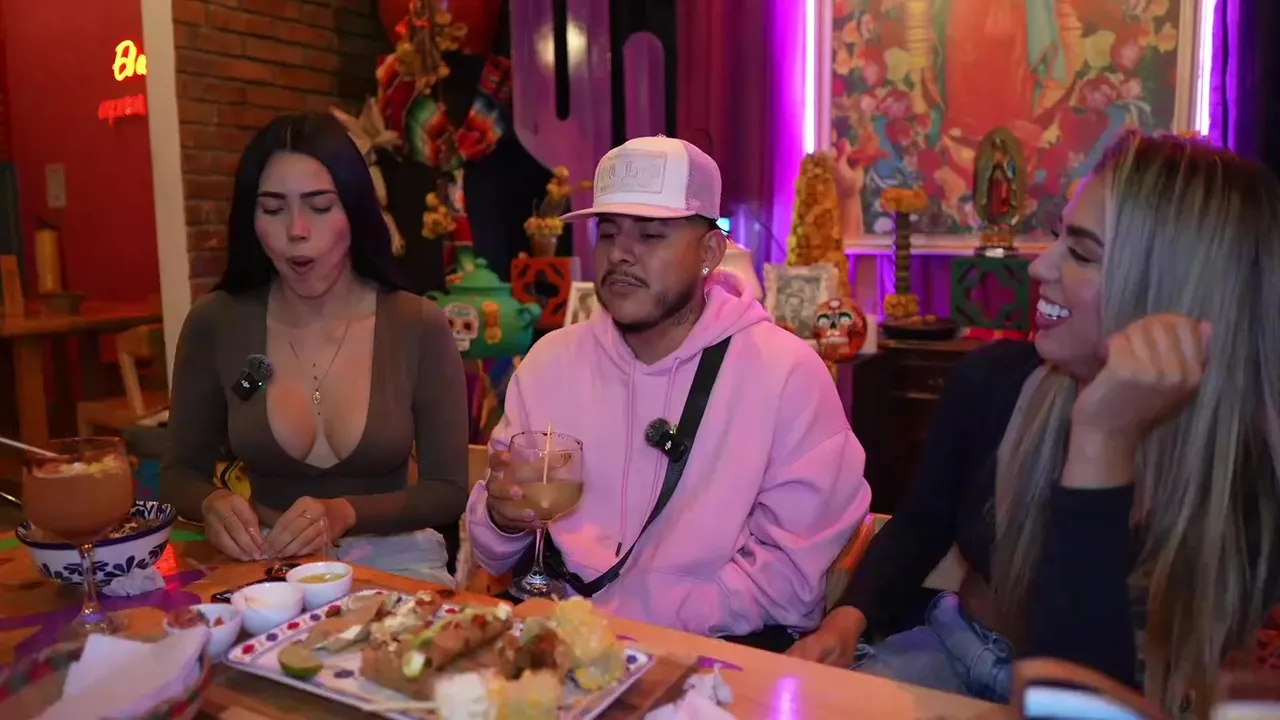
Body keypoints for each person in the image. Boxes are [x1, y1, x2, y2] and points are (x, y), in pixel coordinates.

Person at [788, 130, 1280, 714]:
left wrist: (1102, 440)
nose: (1040, 266)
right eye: (1056, 236)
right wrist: (848, 618)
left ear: (1172, 288)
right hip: (955, 650)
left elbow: (1083, 697)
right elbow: (923, 521)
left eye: (1083, 253)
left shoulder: (1249, 475)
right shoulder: (993, 381)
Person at [465, 136, 871, 649]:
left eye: (651, 235)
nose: (620, 253)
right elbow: (494, 551)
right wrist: (502, 519)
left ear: (710, 252)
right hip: (558, 641)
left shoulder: (786, 374)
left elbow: (789, 583)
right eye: (608, 232)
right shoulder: (551, 362)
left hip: (714, 654)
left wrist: (625, 617)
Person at [161, 114, 469, 582]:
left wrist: (346, 512)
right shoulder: (217, 323)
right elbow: (178, 474)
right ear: (251, 220)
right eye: (272, 209)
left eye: (320, 206)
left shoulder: (417, 324)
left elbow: (447, 490)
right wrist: (211, 502)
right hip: (266, 565)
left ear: (356, 212)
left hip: (396, 562)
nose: (297, 230)